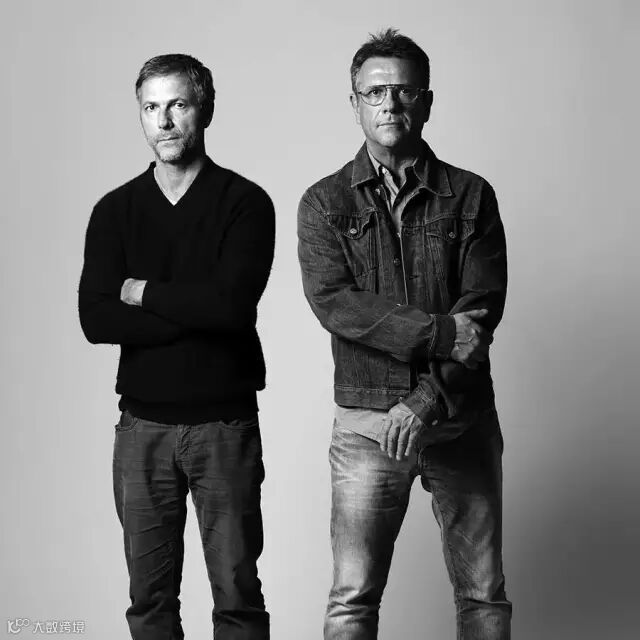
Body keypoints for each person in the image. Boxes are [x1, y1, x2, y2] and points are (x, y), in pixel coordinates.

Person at [297, 29, 511, 639]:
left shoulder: (471, 195)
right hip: (367, 427)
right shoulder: (323, 203)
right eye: (374, 92)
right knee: (352, 601)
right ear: (355, 104)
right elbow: (336, 304)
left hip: (460, 422)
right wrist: (440, 334)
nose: (389, 103)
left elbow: (481, 310)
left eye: (404, 91)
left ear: (427, 101)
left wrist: (424, 401)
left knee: (483, 596)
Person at [79, 54, 274, 640]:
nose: (163, 121)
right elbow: (95, 318)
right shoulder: (115, 210)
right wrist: (197, 310)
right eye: (151, 108)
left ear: (205, 110)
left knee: (238, 598)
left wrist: (141, 292)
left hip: (224, 427)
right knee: (149, 602)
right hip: (142, 429)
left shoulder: (245, 203)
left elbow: (232, 309)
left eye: (178, 105)